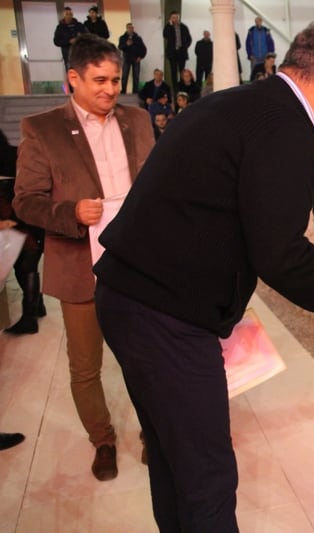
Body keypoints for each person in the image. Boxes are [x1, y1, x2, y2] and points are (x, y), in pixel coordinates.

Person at [93, 18, 314, 532]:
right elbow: (281, 255)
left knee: (174, 458)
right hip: (165, 316)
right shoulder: (287, 129)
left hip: (131, 298)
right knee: (207, 478)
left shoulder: (238, 102)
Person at [13, 34, 154, 481]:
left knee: (146, 359)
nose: (111, 89)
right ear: (73, 78)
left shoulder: (138, 120)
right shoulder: (43, 129)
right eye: (100, 80)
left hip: (138, 265)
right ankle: (103, 440)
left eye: (115, 79)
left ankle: (153, 434)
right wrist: (71, 212)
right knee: (86, 365)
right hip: (80, 267)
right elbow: (25, 201)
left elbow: (158, 183)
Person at [1, 129, 45, 335]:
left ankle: (30, 318)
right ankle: (37, 306)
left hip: (16, 221)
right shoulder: (17, 153)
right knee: (27, 266)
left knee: (25, 266)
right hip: (30, 217)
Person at [163, 11, 192, 96]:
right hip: (172, 52)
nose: (175, 19)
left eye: (176, 17)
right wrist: (169, 25)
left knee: (182, 70)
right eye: (173, 17)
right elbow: (165, 35)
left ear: (178, 17)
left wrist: (185, 46)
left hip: (181, 52)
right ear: (170, 18)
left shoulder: (183, 27)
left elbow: (189, 39)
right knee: (173, 71)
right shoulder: (168, 27)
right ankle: (175, 88)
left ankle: (182, 87)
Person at [53, 7, 87, 71]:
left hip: (80, 53)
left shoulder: (79, 25)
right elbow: (56, 41)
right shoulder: (60, 27)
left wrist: (79, 38)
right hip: (67, 55)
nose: (69, 16)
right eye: (67, 14)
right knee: (70, 71)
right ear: (64, 15)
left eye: (70, 14)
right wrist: (68, 41)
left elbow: (87, 36)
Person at [118, 22, 147, 94]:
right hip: (126, 59)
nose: (131, 29)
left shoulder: (138, 38)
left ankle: (135, 92)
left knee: (136, 76)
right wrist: (126, 44)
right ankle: (123, 91)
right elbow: (120, 47)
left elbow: (144, 49)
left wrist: (141, 57)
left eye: (132, 28)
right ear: (127, 29)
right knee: (124, 75)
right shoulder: (122, 38)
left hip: (136, 59)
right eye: (129, 28)